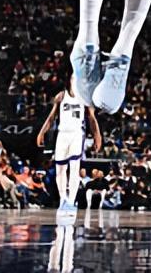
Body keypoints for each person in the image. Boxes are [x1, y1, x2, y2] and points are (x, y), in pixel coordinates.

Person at [37, 73, 102, 213]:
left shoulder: (85, 98)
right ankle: (63, 200)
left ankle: (72, 201)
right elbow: (51, 117)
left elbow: (92, 118)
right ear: (70, 80)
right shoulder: (61, 96)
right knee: (60, 169)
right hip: (62, 134)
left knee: (74, 167)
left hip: (77, 134)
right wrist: (42, 132)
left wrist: (97, 136)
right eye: (74, 78)